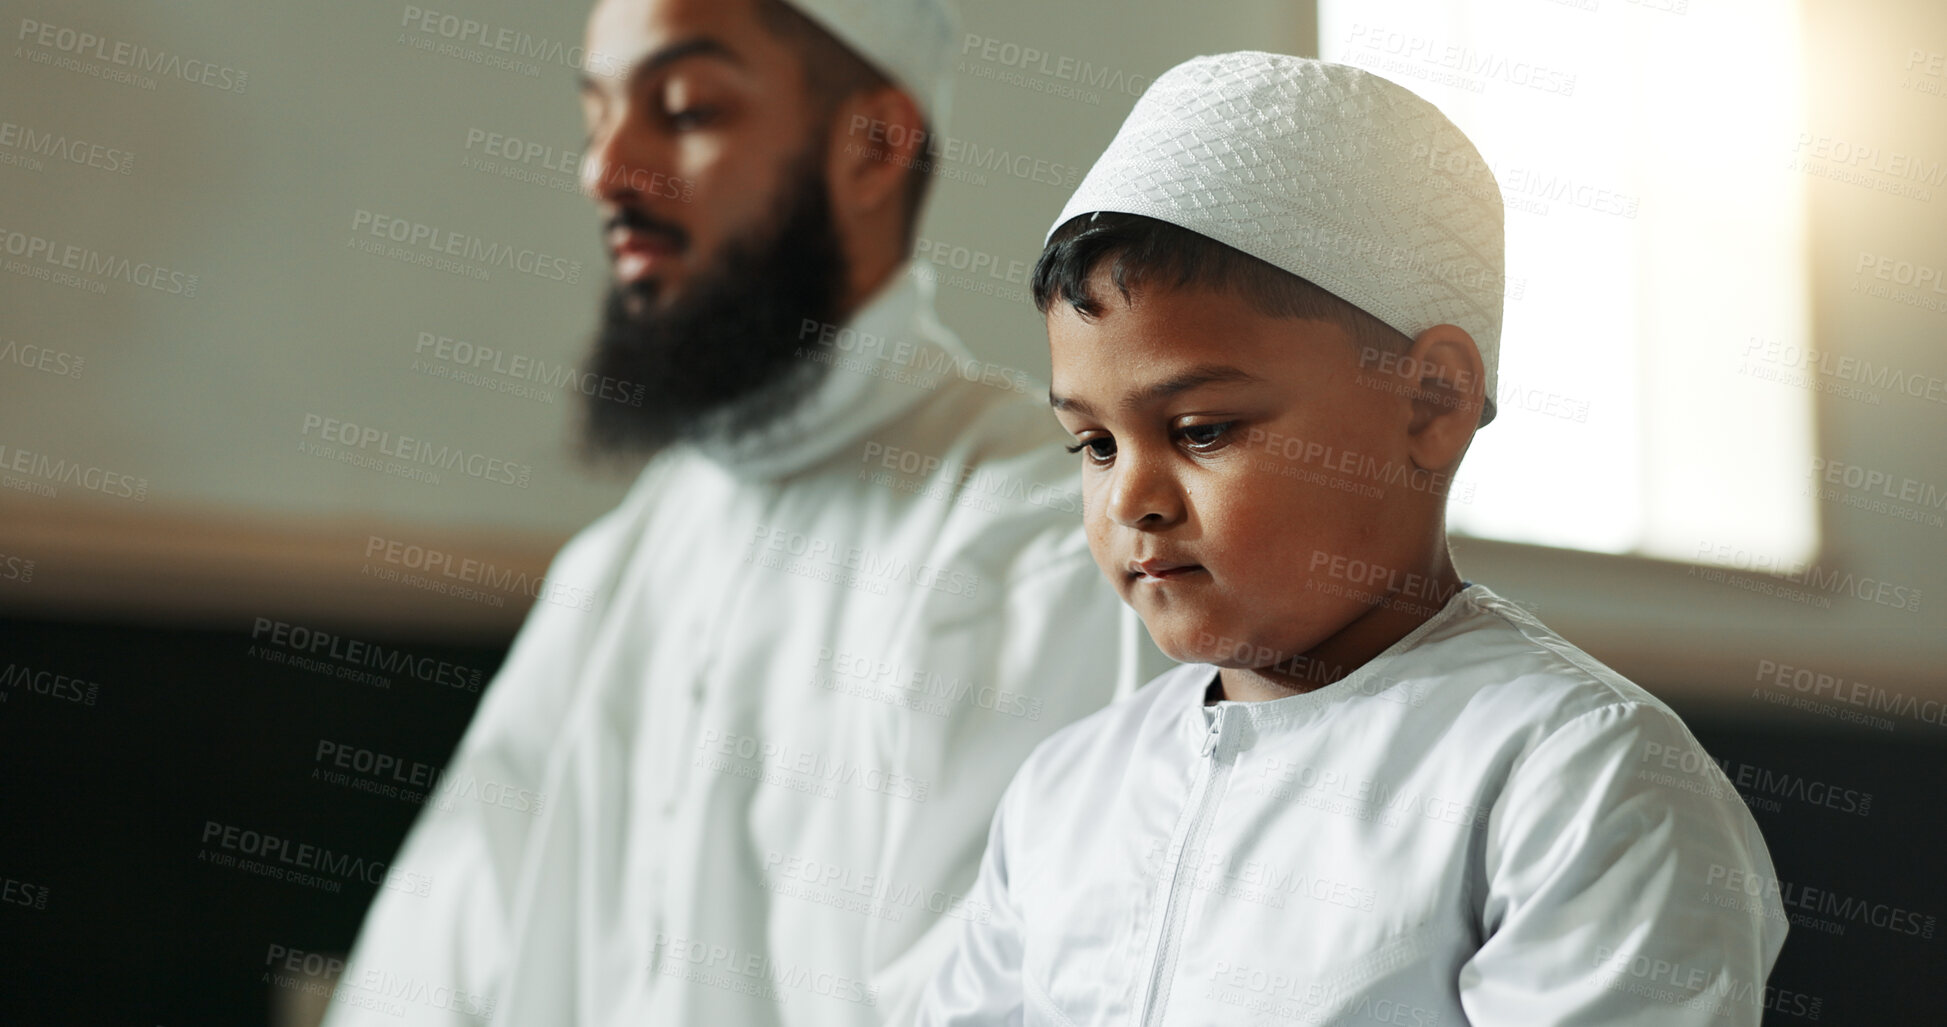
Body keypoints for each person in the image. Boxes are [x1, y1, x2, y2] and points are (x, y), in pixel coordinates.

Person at [320, 1, 1169, 1024]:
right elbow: (430, 971)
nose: (607, 172)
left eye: (682, 108)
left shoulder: (1031, 536)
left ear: (872, 146)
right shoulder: (617, 565)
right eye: (596, 119)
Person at [914, 52, 1789, 1026]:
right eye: (1094, 443)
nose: (1132, 498)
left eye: (1201, 429)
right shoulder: (1068, 791)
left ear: (1431, 400)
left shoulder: (1575, 778)